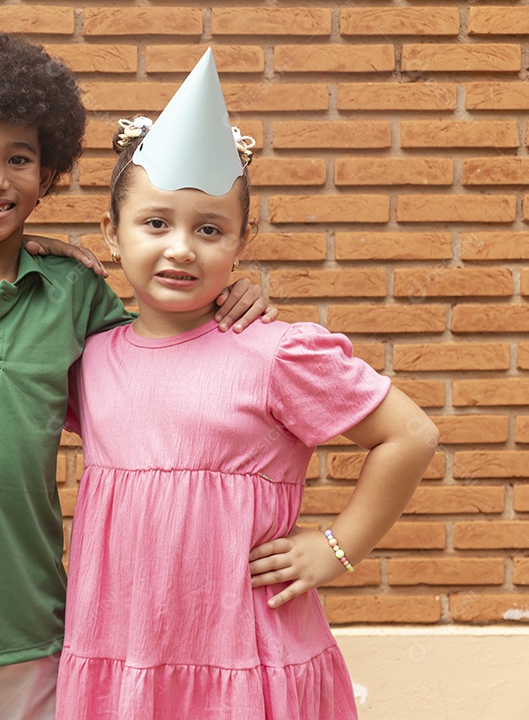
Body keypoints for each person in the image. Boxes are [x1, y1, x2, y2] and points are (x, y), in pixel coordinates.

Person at [0, 34, 275, 720]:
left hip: (36, 619)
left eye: (19, 159)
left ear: (45, 178)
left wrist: (232, 292)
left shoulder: (75, 294)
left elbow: (161, 349)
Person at [55, 50, 439, 719]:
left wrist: (338, 546)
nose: (181, 247)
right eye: (155, 222)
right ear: (110, 234)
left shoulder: (274, 353)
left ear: (241, 241)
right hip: (123, 652)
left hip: (248, 655)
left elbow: (410, 433)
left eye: (209, 229)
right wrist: (35, 254)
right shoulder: (86, 358)